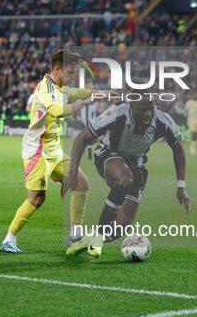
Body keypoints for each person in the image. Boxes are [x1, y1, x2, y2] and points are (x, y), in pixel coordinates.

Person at [63, 97, 190, 258]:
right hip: (108, 155)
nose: (147, 114)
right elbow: (82, 137)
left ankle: (89, 239)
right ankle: (99, 237)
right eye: (142, 109)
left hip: (137, 165)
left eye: (150, 108)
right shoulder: (117, 112)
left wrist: (181, 186)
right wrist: (72, 173)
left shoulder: (162, 120)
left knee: (122, 226)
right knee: (125, 179)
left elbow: (178, 148)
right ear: (131, 107)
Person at [0, 50, 96, 253]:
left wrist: (101, 94)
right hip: (37, 152)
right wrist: (84, 103)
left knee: (82, 184)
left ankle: (75, 234)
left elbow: (78, 92)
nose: (72, 77)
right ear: (57, 69)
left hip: (55, 150)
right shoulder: (45, 89)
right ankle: (9, 239)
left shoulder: (61, 87)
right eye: (70, 72)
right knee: (37, 198)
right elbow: (56, 110)